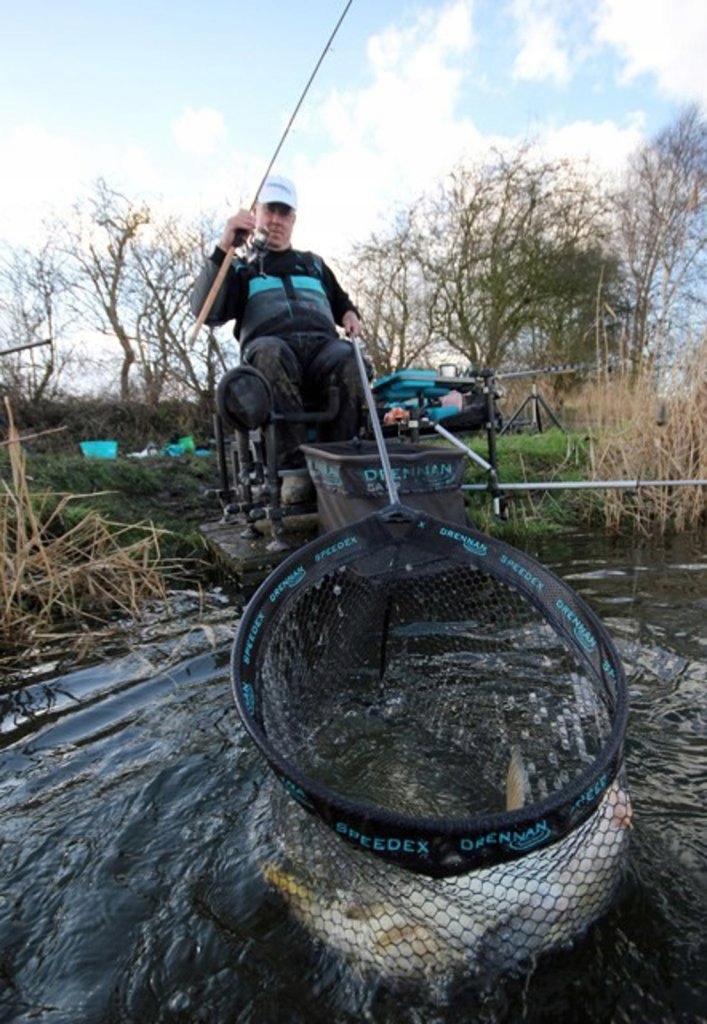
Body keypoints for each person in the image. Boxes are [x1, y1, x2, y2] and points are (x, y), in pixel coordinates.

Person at [191, 175, 363, 502]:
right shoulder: (240, 269)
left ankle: (340, 467)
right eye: (270, 210)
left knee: (349, 358)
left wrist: (350, 314)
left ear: (293, 219)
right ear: (255, 212)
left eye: (284, 213)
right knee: (270, 353)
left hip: (322, 351)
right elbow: (205, 311)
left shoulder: (314, 265)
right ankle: (294, 472)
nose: (276, 220)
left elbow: (342, 302)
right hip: (271, 349)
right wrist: (224, 245)